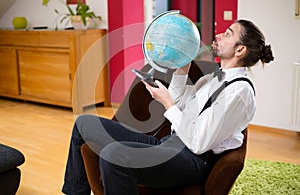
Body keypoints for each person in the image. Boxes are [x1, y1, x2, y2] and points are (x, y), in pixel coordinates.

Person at [62, 19, 274, 195]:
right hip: (168, 143)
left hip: (191, 159)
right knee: (84, 123)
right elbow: (181, 103)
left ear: (240, 49)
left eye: (228, 34)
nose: (219, 35)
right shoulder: (214, 77)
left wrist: (167, 103)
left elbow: (199, 143)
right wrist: (183, 65)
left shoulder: (240, 92)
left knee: (115, 154)